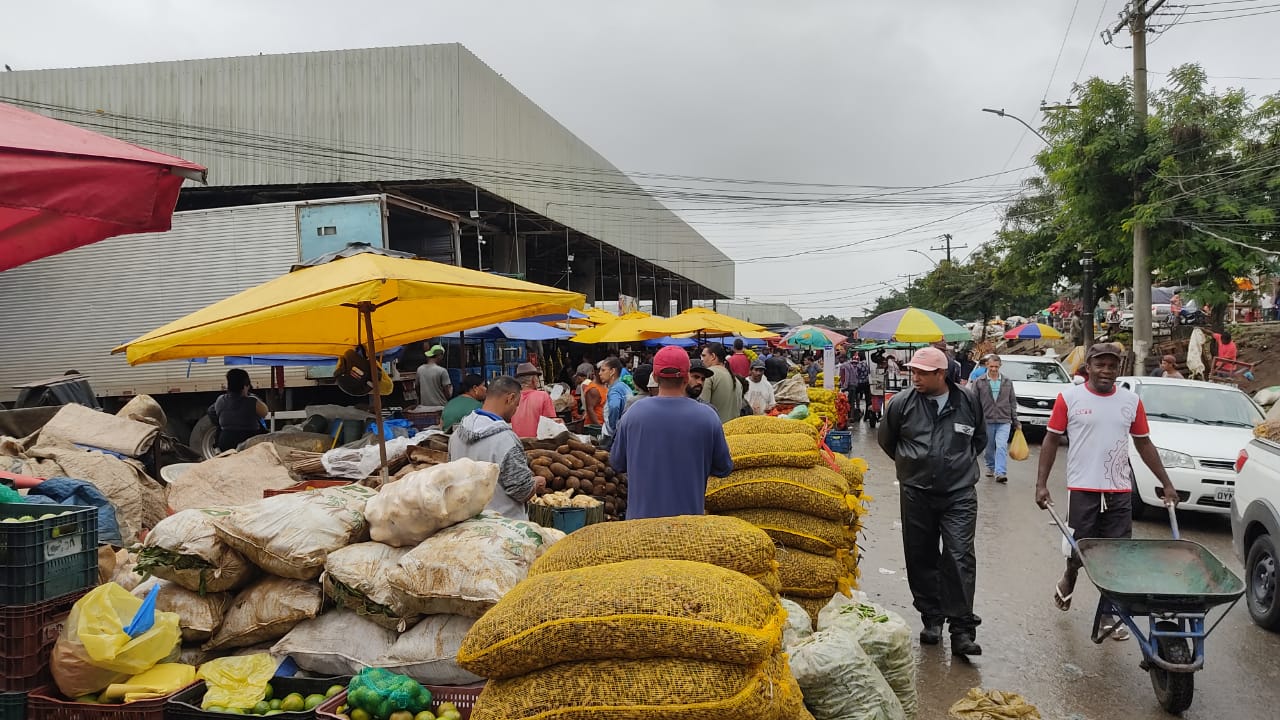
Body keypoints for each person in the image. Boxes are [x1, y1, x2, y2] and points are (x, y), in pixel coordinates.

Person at [1035, 343, 1180, 640]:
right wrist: (1041, 484)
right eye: (1100, 364)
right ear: (1088, 366)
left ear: (1118, 369)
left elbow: (1143, 443)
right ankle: (1070, 575)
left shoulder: (1130, 401)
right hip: (1083, 488)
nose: (1106, 371)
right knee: (1080, 551)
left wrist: (1166, 482)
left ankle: (1108, 614)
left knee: (1117, 555)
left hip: (1119, 489)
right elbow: (1051, 441)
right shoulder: (1069, 398)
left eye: (1112, 366)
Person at [877, 347, 987, 657]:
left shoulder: (967, 400)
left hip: (959, 492)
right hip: (916, 491)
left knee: (959, 555)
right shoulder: (902, 403)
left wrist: (956, 465)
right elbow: (888, 441)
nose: (915, 377)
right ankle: (932, 618)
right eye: (913, 371)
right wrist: (913, 465)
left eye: (922, 373)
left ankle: (962, 629)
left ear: (941, 374)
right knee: (920, 554)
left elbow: (979, 439)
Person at [611, 346, 733, 519]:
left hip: (639, 529)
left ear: (654, 377)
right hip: (687, 529)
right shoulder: (708, 417)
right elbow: (723, 468)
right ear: (686, 377)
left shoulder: (633, 414)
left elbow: (617, 463)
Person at [448, 375, 544, 521]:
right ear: (510, 398)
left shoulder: (455, 436)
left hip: (466, 526)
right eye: (516, 404)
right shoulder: (505, 440)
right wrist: (537, 482)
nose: (515, 410)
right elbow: (522, 490)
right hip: (504, 531)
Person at [971, 355, 1020, 484]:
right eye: (991, 366)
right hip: (986, 420)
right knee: (989, 447)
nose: (993, 369)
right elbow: (973, 402)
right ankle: (990, 466)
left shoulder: (1007, 382)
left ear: (1000, 366)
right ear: (987, 365)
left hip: (1004, 420)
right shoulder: (979, 382)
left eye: (996, 367)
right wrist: (974, 420)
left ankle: (1000, 472)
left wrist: (1016, 421)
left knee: (1002, 446)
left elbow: (1012, 402)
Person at [209, 368, 268, 451]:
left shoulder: (220, 400)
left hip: (225, 442)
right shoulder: (252, 401)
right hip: (249, 443)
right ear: (245, 386)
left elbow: (215, 414)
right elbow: (264, 413)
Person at [510, 363, 557, 438]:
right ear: (533, 380)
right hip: (537, 445)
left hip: (517, 443)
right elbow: (551, 425)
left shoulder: (512, 398)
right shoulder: (543, 396)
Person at [699, 343, 741, 424]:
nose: (701, 359)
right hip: (733, 432)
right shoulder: (736, 380)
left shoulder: (709, 375)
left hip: (715, 431)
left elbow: (702, 411)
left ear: (713, 356)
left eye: (704, 356)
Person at [596, 356, 633, 447]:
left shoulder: (615, 390)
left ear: (612, 371)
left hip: (612, 437)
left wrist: (613, 428)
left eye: (603, 370)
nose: (600, 373)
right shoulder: (624, 386)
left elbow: (614, 406)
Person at [867, 355, 887, 428]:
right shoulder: (877, 371)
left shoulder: (888, 371)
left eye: (884, 363)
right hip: (878, 393)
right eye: (882, 363)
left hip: (885, 392)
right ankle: (879, 415)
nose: (883, 364)